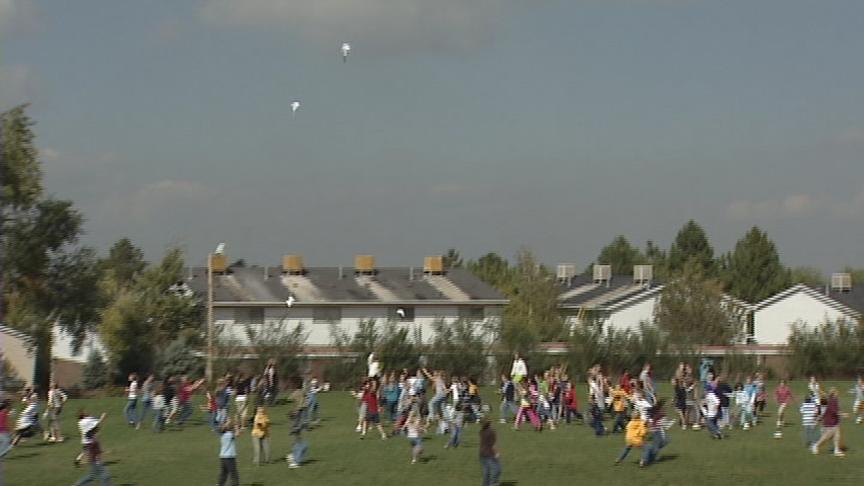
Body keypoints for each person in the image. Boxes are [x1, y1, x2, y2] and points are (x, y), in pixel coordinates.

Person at [73, 418, 112, 486]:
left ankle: (79, 484)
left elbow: (96, 450)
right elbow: (91, 451)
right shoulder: (92, 441)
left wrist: (103, 452)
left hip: (95, 461)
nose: (99, 431)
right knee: (105, 475)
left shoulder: (94, 439)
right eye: (97, 430)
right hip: (96, 461)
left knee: (92, 477)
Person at [811, 388, 845, 457]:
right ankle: (815, 446)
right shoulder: (832, 401)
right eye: (836, 392)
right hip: (829, 421)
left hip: (834, 421)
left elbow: (835, 410)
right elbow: (834, 411)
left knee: (837, 434)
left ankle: (836, 450)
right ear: (834, 394)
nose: (838, 394)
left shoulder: (835, 400)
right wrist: (843, 414)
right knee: (827, 436)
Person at [217, 418, 241, 485]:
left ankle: (219, 484)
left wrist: (234, 425)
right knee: (234, 473)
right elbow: (237, 434)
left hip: (223, 457)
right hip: (229, 457)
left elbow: (235, 432)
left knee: (224, 473)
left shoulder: (222, 435)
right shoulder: (229, 435)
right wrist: (236, 427)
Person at [479, 419, 501, 486]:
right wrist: (496, 453)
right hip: (490, 454)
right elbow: (493, 444)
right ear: (489, 424)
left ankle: (486, 484)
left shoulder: (481, 431)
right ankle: (493, 483)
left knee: (486, 471)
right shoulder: (491, 432)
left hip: (482, 454)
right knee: (497, 469)